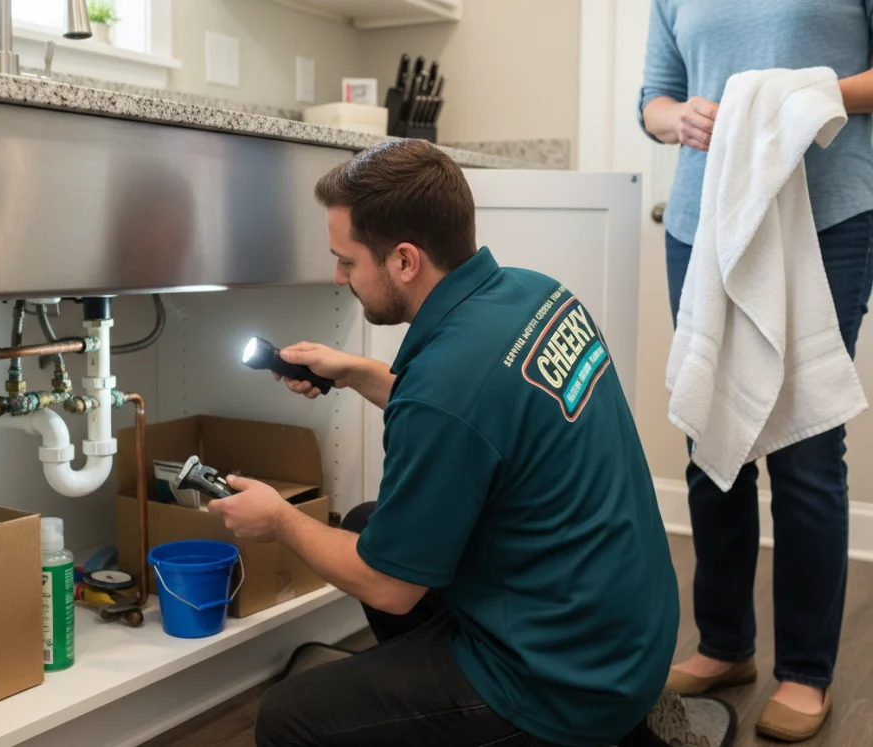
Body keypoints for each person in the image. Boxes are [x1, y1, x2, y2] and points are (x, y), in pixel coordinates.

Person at [206, 138, 680, 747]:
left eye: (348, 261)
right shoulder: (535, 294)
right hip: (624, 636)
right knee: (366, 522)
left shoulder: (445, 392)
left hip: (568, 685)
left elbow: (390, 588)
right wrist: (352, 371)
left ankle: (503, 724)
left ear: (405, 260)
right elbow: (478, 416)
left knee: (287, 718)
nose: (339, 276)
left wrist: (280, 521)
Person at [639, 0, 873, 741]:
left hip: (829, 216)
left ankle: (806, 669)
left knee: (805, 451)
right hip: (702, 221)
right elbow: (653, 99)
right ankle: (724, 644)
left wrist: (801, 98)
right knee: (713, 439)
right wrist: (683, 121)